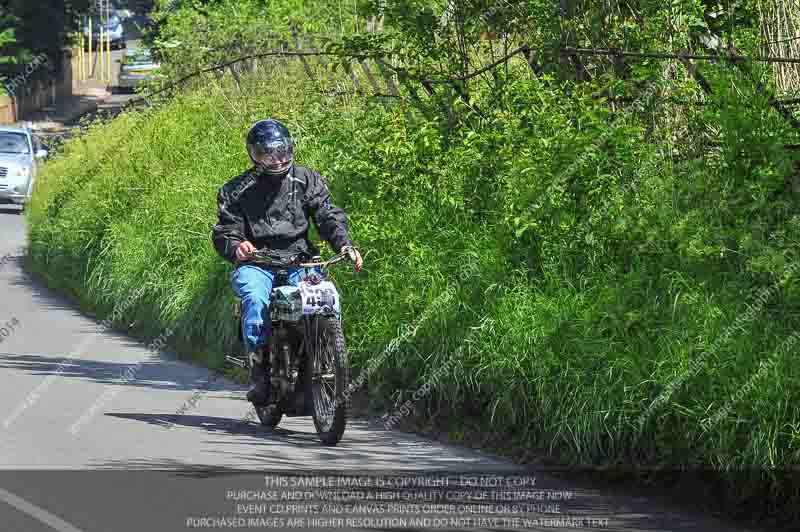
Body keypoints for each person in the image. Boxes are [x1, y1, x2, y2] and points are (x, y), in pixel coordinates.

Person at [212, 119, 362, 405]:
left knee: (327, 300)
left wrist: (345, 245)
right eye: (267, 153)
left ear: (291, 149)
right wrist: (237, 246)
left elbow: (328, 215)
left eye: (282, 151)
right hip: (257, 262)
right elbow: (225, 230)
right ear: (253, 155)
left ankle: (322, 362)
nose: (277, 159)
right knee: (254, 299)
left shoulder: (307, 179)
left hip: (300, 261)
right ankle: (258, 371)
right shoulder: (235, 189)